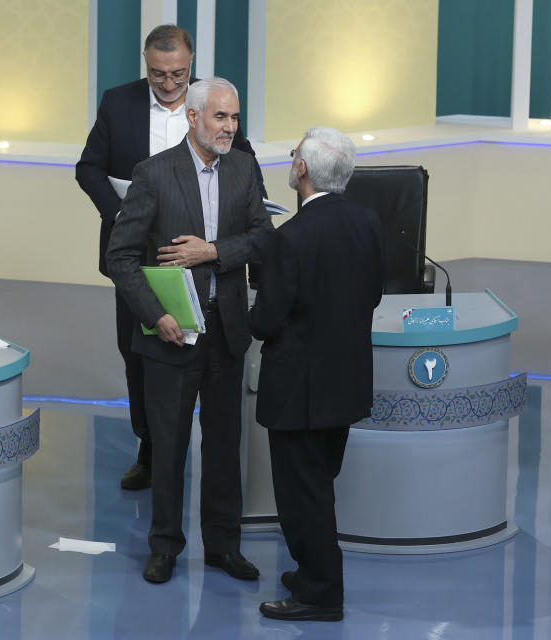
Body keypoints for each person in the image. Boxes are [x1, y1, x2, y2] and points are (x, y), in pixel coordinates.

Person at [76, 24, 266, 491]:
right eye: (158, 74)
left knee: (204, 353)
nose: (168, 84)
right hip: (135, 252)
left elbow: (243, 162)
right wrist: (124, 212)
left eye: (178, 74)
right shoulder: (118, 102)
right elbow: (88, 168)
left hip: (200, 252)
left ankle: (193, 451)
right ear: (146, 65)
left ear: (191, 64)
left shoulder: (213, 105)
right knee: (139, 351)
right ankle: (151, 447)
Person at [106, 78, 268, 584]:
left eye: (235, 118)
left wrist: (214, 250)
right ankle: (165, 548)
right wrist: (156, 316)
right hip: (172, 333)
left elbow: (263, 238)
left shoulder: (244, 167)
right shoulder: (152, 175)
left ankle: (223, 546)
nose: (229, 127)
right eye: (220, 117)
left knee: (223, 448)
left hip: (227, 332)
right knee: (170, 446)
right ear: (194, 118)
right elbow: (120, 257)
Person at [249, 127, 383, 621]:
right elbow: (372, 295)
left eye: (293, 154)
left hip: (299, 392)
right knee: (319, 484)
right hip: (344, 384)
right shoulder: (367, 222)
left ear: (302, 170)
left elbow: (265, 321)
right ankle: (310, 573)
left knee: (303, 497)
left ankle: (320, 594)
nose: (289, 158)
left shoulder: (291, 238)